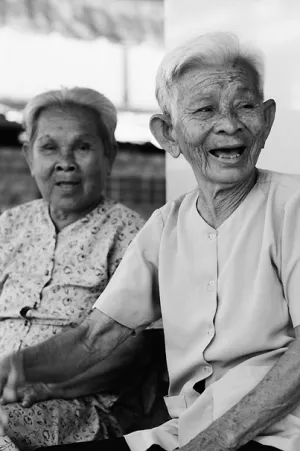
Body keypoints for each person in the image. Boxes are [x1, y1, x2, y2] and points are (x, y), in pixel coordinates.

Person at [0, 31, 299, 451]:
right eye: (205, 110)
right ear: (169, 135)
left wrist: (220, 438)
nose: (229, 125)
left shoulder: (292, 207)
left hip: (278, 436)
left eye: (245, 107)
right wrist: (16, 366)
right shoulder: (166, 225)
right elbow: (92, 338)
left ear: (266, 120)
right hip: (185, 432)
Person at [0, 87, 146, 450]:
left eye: (82, 147)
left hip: (75, 403)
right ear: (29, 158)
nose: (65, 162)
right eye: (49, 148)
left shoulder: (132, 235)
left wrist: (49, 385)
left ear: (109, 156)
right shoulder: (9, 226)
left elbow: (137, 349)